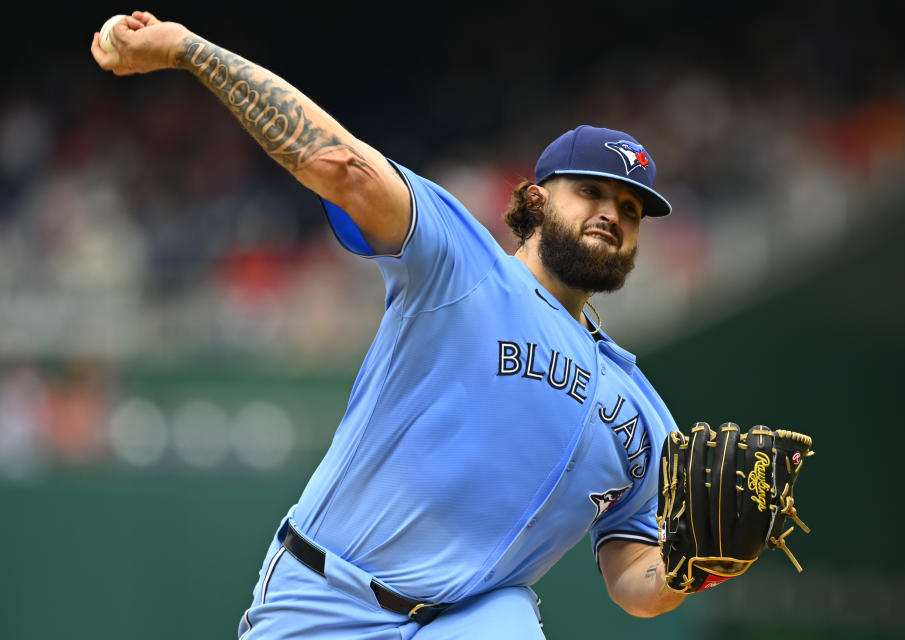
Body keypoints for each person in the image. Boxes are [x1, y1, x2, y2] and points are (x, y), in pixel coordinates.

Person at [91, 12, 686, 639]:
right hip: (329, 596)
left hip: (469, 618)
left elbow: (634, 581)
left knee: (506, 619)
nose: (612, 215)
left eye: (630, 208)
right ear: (535, 200)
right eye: (590, 191)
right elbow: (341, 165)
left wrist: (692, 568)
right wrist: (189, 50)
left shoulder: (644, 414)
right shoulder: (464, 266)